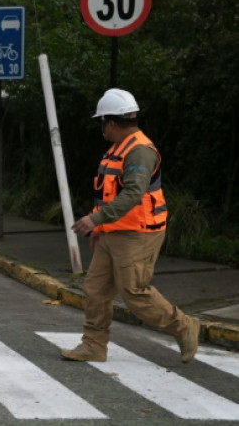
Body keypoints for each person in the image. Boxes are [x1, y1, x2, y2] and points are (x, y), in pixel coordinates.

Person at [62, 88, 200, 363]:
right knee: (96, 290)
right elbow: (108, 193)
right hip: (113, 232)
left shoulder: (139, 152)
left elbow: (132, 195)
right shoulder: (117, 149)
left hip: (138, 234)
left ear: (111, 123)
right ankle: (93, 345)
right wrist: (100, 228)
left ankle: (183, 326)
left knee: (134, 293)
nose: (102, 128)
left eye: (102, 122)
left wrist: (94, 220)